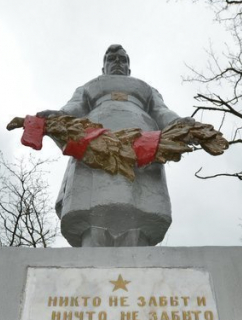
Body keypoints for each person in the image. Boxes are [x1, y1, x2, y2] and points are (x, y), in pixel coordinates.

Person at [38, 44, 193, 247]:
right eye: (112, 59)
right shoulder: (90, 86)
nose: (117, 62)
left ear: (129, 67)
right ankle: (91, 240)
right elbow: (73, 108)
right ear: (104, 67)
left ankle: (140, 242)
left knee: (142, 195)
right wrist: (57, 116)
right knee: (91, 197)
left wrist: (179, 123)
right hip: (94, 139)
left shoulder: (145, 89)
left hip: (142, 139)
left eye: (123, 59)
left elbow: (162, 112)